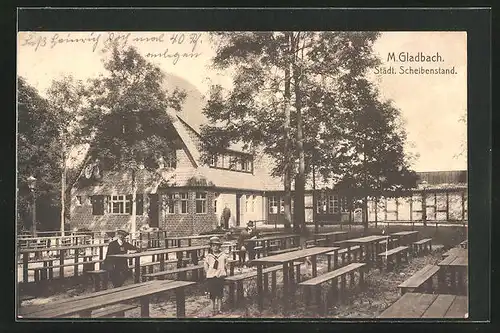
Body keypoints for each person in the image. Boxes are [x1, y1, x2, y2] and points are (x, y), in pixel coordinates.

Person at [204, 236, 229, 315]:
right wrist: (209, 273)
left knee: (220, 294)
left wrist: (223, 272)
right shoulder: (208, 256)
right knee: (212, 295)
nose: (215, 247)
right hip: (211, 278)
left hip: (220, 277)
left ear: (219, 246)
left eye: (217, 245)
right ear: (211, 247)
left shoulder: (223, 256)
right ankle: (212, 310)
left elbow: (226, 264)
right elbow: (206, 266)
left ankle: (219, 309)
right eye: (213, 246)